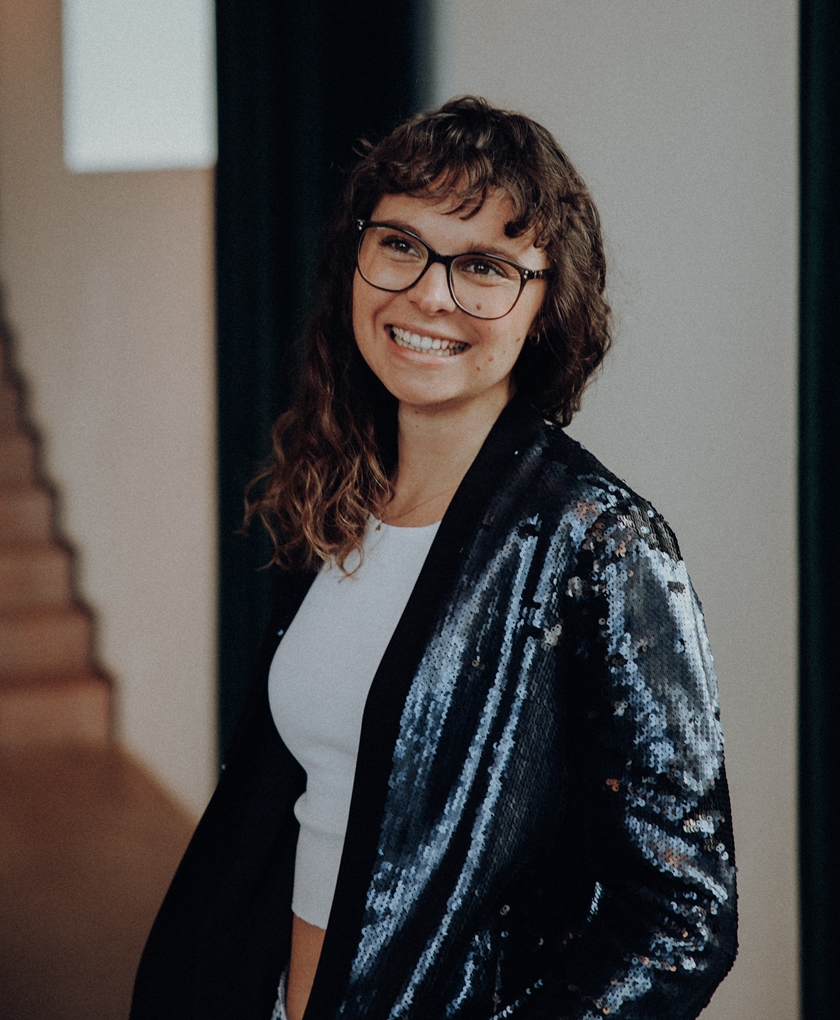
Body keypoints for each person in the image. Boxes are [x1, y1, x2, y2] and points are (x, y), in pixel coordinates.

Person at [130, 96, 737, 1020]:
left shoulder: (601, 543)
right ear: (357, 259)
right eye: (401, 245)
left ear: (546, 305)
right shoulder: (344, 498)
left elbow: (684, 915)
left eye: (485, 266)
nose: (429, 294)